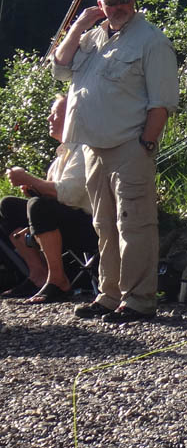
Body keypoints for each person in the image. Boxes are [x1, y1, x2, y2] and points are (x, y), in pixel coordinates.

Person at [51, 0, 179, 324]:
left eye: (124, 0)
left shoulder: (152, 41)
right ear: (101, 6)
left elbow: (162, 103)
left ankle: (138, 301)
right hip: (92, 147)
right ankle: (109, 296)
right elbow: (60, 68)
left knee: (134, 224)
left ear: (133, 1)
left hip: (129, 145)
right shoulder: (91, 37)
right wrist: (79, 25)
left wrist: (146, 144)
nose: (119, 7)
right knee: (104, 224)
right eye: (111, 2)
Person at [0, 95, 98, 303]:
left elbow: (67, 195)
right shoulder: (62, 155)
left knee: (39, 206)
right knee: (8, 205)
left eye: (55, 113)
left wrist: (28, 178)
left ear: (73, 117)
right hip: (65, 221)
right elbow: (54, 196)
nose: (49, 118)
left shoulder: (84, 150)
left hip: (92, 227)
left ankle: (58, 280)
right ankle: (38, 275)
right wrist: (33, 188)